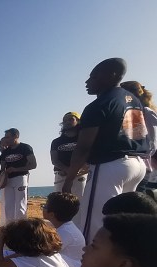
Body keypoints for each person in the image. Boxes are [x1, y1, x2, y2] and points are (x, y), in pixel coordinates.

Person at [63, 58, 147, 243]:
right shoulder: (133, 100)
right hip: (137, 164)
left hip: (110, 166)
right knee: (119, 220)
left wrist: (69, 179)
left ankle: (88, 261)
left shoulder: (99, 104)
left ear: (112, 76)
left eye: (94, 77)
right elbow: (138, 134)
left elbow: (83, 147)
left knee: (93, 223)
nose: (87, 81)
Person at [120, 80, 157, 196]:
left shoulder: (146, 112)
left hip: (142, 167)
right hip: (127, 165)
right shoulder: (128, 113)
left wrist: (137, 156)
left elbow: (151, 144)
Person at [0, 128, 37, 223]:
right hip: (8, 180)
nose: (6, 139)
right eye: (5, 137)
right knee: (8, 206)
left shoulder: (25, 148)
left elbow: (33, 165)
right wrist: (1, 179)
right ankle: (10, 227)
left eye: (8, 137)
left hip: (21, 178)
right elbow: (2, 168)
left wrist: (16, 169)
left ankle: (21, 228)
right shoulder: (5, 152)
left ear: (15, 136)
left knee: (21, 205)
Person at [51, 112, 87, 203]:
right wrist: (68, 170)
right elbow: (54, 160)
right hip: (61, 175)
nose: (67, 122)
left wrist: (79, 169)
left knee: (80, 204)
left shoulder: (84, 139)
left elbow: (88, 155)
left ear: (78, 121)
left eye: (71, 119)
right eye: (65, 120)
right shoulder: (56, 142)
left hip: (80, 176)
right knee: (60, 204)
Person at [42, 192, 85, 261]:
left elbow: (44, 253)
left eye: (45, 206)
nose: (43, 208)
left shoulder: (65, 232)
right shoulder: (66, 228)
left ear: (52, 214)